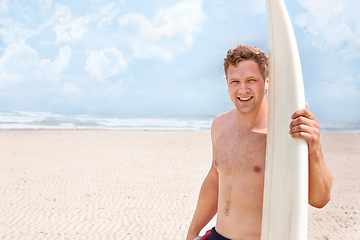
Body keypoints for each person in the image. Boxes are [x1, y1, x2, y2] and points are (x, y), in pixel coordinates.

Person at [186, 45, 333, 240]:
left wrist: (314, 147)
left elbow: (320, 199)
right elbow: (215, 180)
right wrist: (193, 233)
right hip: (218, 235)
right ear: (227, 84)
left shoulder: (285, 133)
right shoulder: (220, 124)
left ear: (267, 82)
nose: (243, 89)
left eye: (251, 80)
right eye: (235, 81)